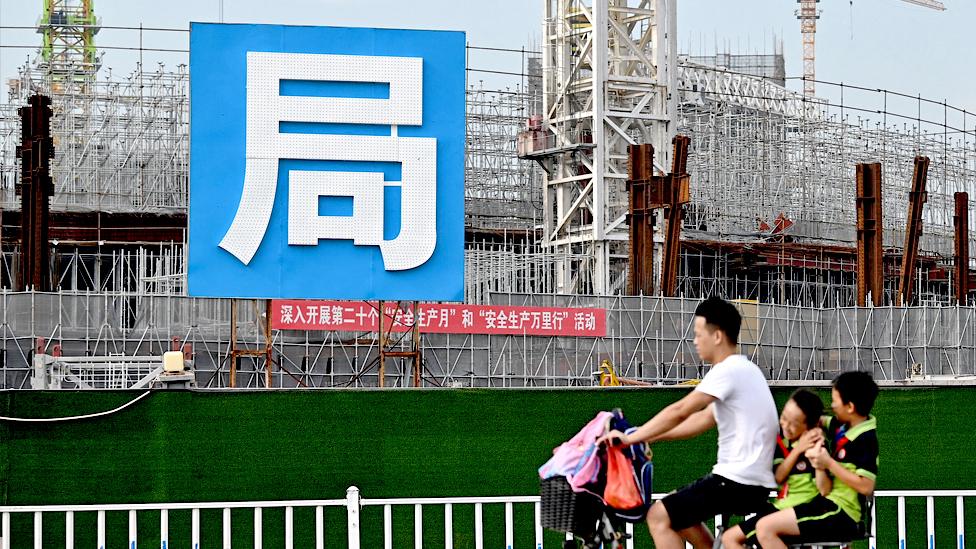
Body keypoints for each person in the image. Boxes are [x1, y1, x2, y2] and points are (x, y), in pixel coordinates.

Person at [597, 296, 779, 549]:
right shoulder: (746, 371)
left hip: (737, 480)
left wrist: (630, 438)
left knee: (658, 515)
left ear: (717, 336)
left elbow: (681, 410)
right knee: (677, 511)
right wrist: (648, 436)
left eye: (698, 334)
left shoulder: (728, 370)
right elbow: (702, 419)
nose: (695, 342)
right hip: (751, 482)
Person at [754, 371, 879, 549]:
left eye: (835, 401)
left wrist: (828, 463)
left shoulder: (865, 440)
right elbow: (813, 418)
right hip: (827, 504)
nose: (832, 406)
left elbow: (866, 486)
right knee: (763, 527)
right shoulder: (841, 426)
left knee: (765, 528)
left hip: (842, 511)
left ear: (849, 407)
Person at [720, 389, 825, 549]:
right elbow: (779, 477)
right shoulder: (779, 441)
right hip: (782, 507)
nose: (786, 426)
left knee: (732, 538)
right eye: (784, 418)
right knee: (729, 538)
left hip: (802, 510)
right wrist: (797, 451)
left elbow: (823, 488)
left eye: (794, 423)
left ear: (809, 425)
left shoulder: (817, 443)